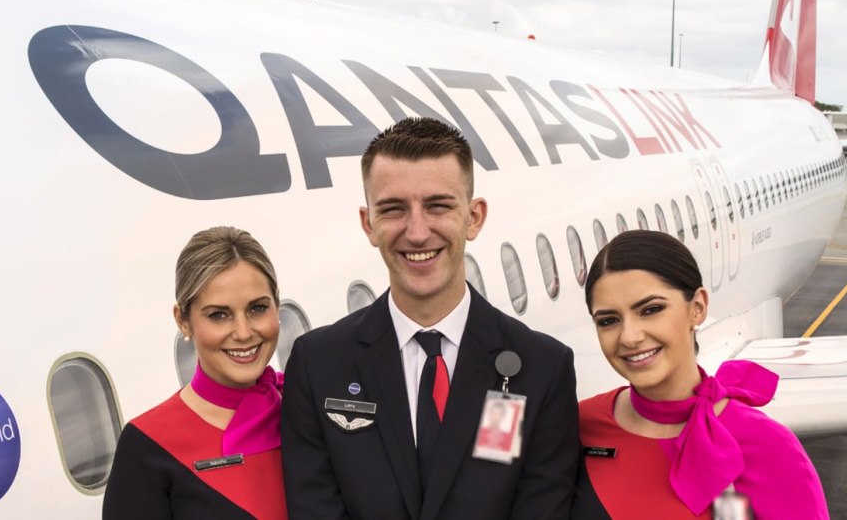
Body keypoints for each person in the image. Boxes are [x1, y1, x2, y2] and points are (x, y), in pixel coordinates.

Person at [281, 117, 579, 520]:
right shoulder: (317, 364)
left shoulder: (543, 368)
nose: (418, 233)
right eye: (393, 209)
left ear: (474, 217)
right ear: (369, 224)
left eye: (438, 206)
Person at [572, 230, 828, 519]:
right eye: (608, 321)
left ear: (698, 308)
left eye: (651, 310)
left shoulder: (768, 445)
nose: (629, 337)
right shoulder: (581, 425)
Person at [103, 227, 287, 520]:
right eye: (218, 315)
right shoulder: (147, 445)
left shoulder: (308, 410)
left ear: (276, 304)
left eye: (257, 308)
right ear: (183, 321)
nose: (243, 333)